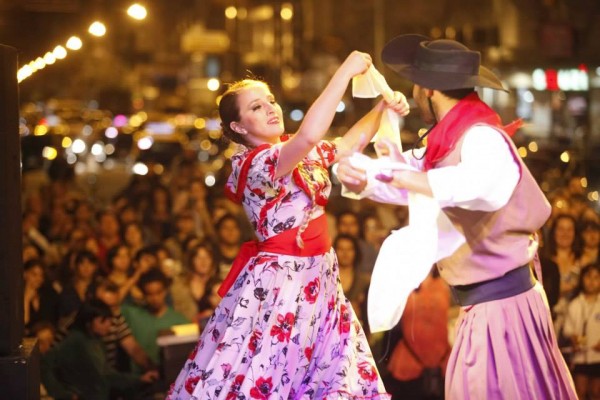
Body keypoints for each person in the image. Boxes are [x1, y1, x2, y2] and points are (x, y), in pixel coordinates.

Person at [336, 34, 576, 399]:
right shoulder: (446, 143)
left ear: (427, 88)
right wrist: (361, 175)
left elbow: (477, 184)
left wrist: (403, 175)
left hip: (502, 308)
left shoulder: (481, 138)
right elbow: (412, 180)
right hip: (489, 306)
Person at [166, 51, 409, 399]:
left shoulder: (292, 151)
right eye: (256, 107)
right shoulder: (255, 163)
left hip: (320, 276)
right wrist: (344, 72)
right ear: (237, 127)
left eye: (270, 100)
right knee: (271, 374)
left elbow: (343, 146)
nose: (270, 108)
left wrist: (381, 109)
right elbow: (310, 136)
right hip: (283, 283)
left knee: (330, 374)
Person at [563, 263, 600, 399]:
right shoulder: (574, 304)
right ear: (582, 279)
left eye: (596, 277)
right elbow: (567, 329)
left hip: (597, 356)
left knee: (596, 392)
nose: (591, 281)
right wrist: (573, 338)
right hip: (580, 356)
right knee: (580, 391)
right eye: (588, 277)